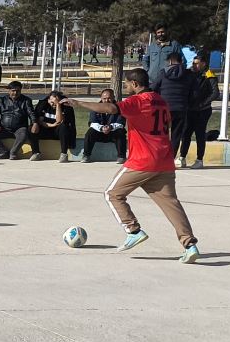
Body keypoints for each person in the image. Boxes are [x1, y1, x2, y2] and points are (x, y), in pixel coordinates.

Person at [62, 69, 201, 263]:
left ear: (135, 84)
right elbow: (166, 125)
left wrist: (78, 103)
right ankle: (190, 245)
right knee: (171, 204)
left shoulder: (137, 101)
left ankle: (133, 230)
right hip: (164, 160)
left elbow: (110, 109)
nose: (126, 87)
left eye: (127, 84)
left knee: (112, 194)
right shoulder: (161, 101)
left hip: (143, 160)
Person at [156, 49, 197, 164]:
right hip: (181, 108)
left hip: (164, 109)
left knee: (161, 134)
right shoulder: (189, 74)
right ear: (181, 61)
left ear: (170, 61)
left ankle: (159, 157)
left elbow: (154, 87)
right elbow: (195, 93)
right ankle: (170, 159)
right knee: (176, 135)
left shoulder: (163, 73)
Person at [182, 55, 217, 169]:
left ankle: (199, 160)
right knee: (186, 134)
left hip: (202, 111)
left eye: (196, 63)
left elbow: (215, 93)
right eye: (193, 63)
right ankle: (182, 157)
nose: (194, 65)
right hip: (189, 109)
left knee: (200, 135)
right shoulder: (190, 74)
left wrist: (203, 103)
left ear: (203, 63)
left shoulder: (209, 75)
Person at [0, 81, 35, 160]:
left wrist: (34, 123)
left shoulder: (26, 100)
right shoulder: (2, 100)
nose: (15, 93)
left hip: (19, 128)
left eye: (18, 91)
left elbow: (31, 113)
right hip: (3, 129)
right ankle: (3, 151)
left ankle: (13, 152)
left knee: (24, 133)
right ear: (9, 91)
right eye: (13, 90)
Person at [81, 89, 127, 163]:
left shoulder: (119, 108)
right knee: (90, 133)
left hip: (113, 133)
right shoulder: (95, 107)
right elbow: (92, 123)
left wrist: (110, 127)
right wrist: (101, 128)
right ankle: (86, 155)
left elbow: (121, 123)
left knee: (120, 133)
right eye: (104, 98)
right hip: (99, 132)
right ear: (101, 98)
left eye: (109, 98)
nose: (106, 100)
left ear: (113, 97)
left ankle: (121, 157)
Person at [31, 89, 77, 161]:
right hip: (45, 129)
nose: (53, 104)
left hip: (58, 133)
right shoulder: (43, 105)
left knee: (63, 127)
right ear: (48, 100)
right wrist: (52, 125)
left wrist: (58, 105)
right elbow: (40, 121)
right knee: (32, 127)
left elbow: (59, 121)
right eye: (52, 102)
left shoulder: (65, 107)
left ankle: (64, 154)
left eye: (56, 102)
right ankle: (36, 153)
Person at [143, 26, 174, 92]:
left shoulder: (174, 45)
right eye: (158, 32)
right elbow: (145, 60)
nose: (160, 34)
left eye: (162, 32)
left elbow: (182, 61)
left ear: (166, 32)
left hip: (168, 80)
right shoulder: (152, 45)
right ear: (156, 34)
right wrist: (148, 71)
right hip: (152, 81)